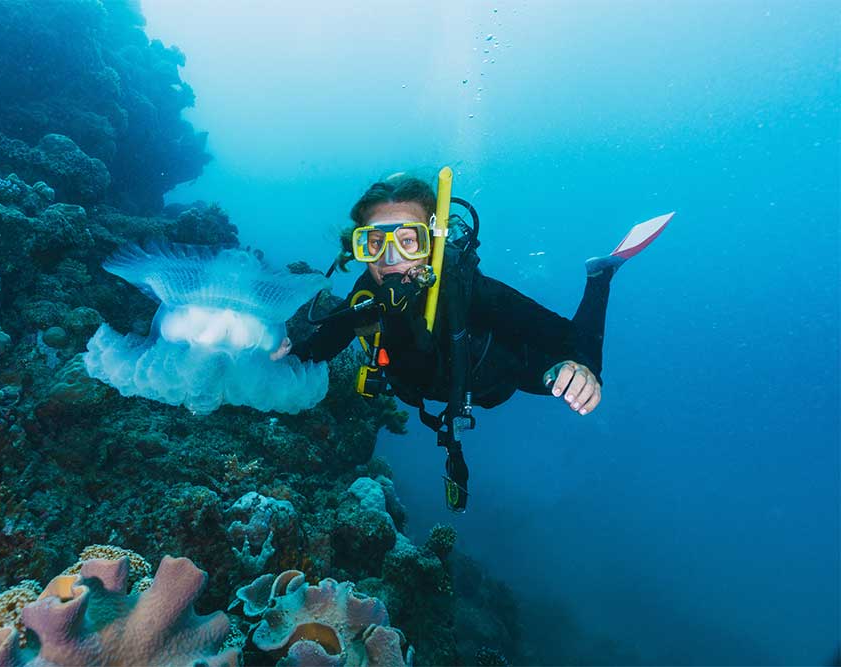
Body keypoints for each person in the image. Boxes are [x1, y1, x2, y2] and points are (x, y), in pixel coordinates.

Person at [270, 173, 670, 511]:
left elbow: (565, 337)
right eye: (374, 242)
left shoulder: (471, 291)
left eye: (408, 241)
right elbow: (323, 345)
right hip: (436, 384)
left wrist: (580, 367)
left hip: (505, 369)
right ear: (360, 248)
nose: (390, 257)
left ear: (433, 244)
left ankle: (599, 276)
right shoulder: (365, 300)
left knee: (561, 380)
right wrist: (287, 356)